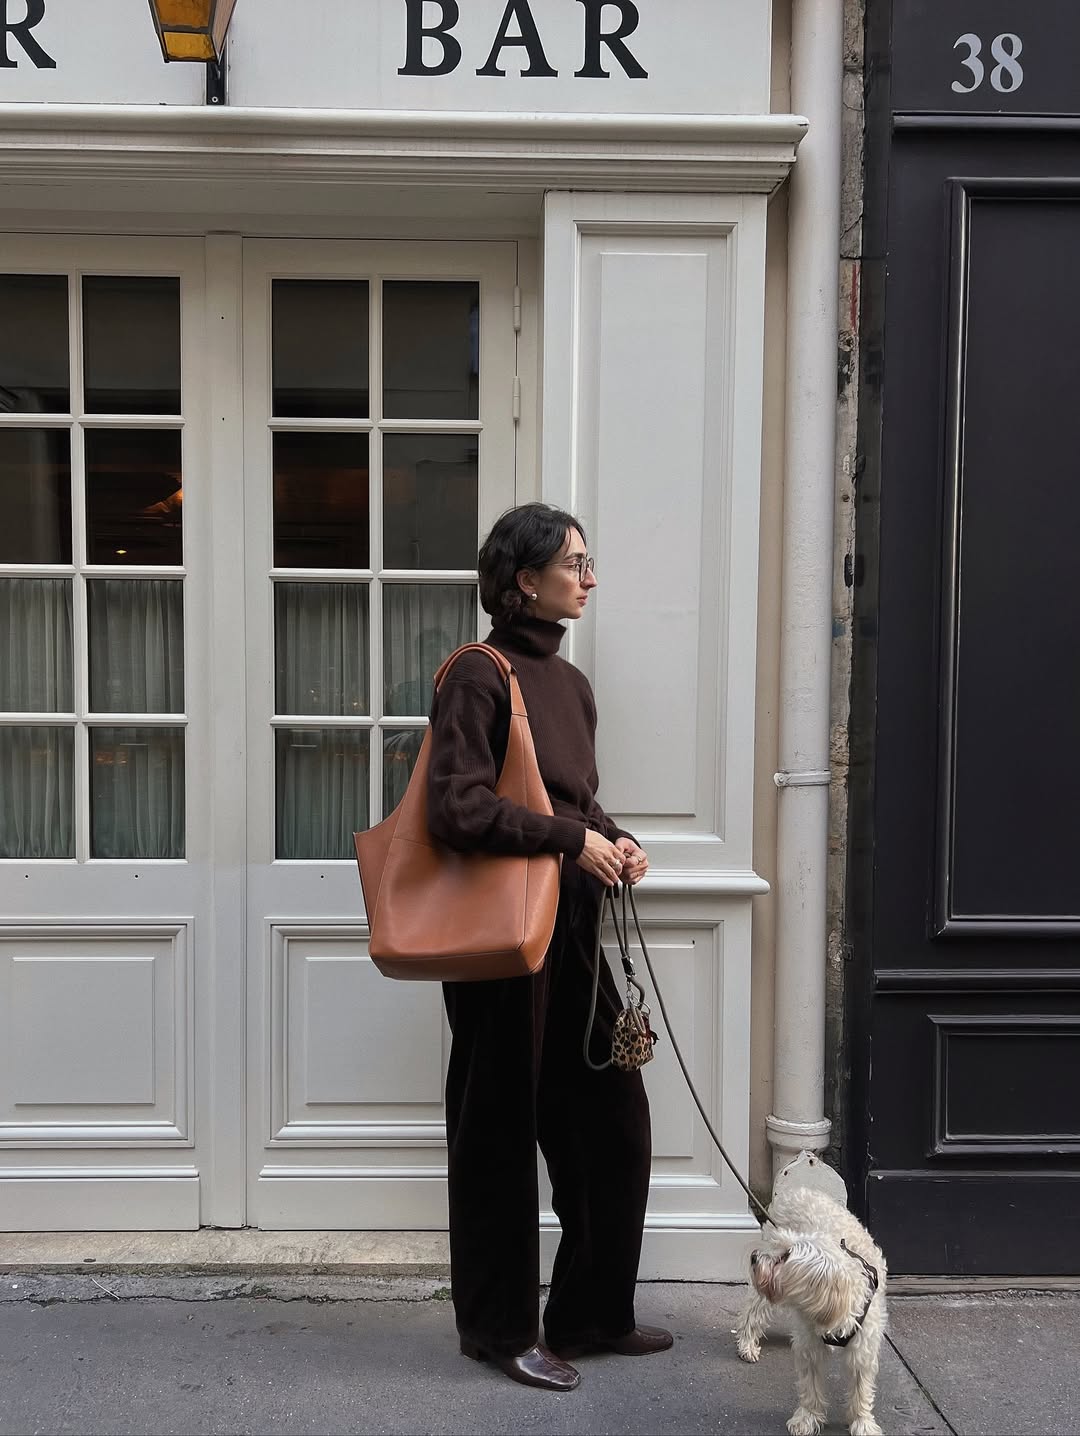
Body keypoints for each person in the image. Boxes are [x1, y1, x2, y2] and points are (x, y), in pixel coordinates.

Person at [426, 502, 673, 1392]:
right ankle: (497, 1331)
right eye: (576, 563)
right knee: (497, 1133)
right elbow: (453, 808)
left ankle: (592, 1312)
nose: (591, 578)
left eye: (589, 561)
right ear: (525, 580)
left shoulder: (569, 687)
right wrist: (573, 843)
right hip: (501, 945)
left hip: (571, 931)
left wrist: (616, 837)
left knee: (613, 1123)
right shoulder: (478, 676)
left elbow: (569, 801)